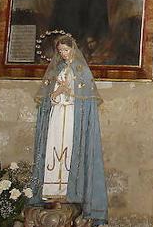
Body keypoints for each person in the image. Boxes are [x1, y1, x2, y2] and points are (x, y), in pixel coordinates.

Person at [31, 35, 107, 224]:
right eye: (60, 51)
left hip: (73, 117)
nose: (64, 54)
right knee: (53, 146)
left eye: (66, 50)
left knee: (71, 148)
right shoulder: (57, 70)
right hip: (57, 116)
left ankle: (69, 189)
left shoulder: (81, 71)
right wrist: (58, 92)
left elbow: (86, 97)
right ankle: (51, 190)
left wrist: (70, 91)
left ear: (73, 49)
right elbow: (50, 96)